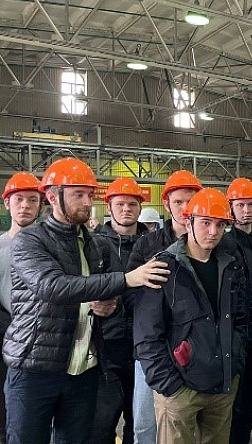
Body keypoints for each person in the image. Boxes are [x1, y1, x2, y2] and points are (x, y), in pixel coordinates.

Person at [3, 157, 169, 444]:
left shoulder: (96, 245)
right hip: (34, 366)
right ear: (52, 197)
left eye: (90, 195)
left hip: (85, 369)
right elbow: (52, 287)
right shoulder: (30, 241)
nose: (87, 202)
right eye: (78, 194)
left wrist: (109, 307)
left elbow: (107, 297)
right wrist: (127, 278)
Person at [133, 188, 247, 444]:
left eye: (220, 225)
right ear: (188, 222)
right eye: (205, 222)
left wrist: (235, 364)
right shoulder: (163, 268)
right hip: (179, 391)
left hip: (222, 386)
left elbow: (239, 320)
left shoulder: (229, 266)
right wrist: (169, 386)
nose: (213, 231)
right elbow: (147, 334)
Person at [127, 169, 203, 444]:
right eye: (178, 201)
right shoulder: (147, 245)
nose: (184, 208)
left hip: (197, 349)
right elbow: (130, 295)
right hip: (153, 349)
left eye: (190, 201)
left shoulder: (213, 244)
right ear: (167, 204)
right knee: (145, 425)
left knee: (190, 426)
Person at [91, 178, 149, 444]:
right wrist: (90, 304)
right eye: (120, 204)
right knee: (102, 423)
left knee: (139, 424)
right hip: (106, 348)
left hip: (144, 346)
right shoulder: (93, 245)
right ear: (109, 207)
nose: (126, 209)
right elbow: (77, 285)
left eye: (132, 204)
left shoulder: (152, 245)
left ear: (140, 207)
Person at [0, 172, 42, 444]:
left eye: (32, 200)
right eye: (18, 199)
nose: (25, 205)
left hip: (42, 343)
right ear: (7, 204)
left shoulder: (51, 247)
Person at [224, 177, 252, 444]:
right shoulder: (224, 244)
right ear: (231, 207)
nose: (246, 210)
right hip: (237, 332)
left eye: (250, 205)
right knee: (235, 403)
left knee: (251, 399)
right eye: (240, 205)